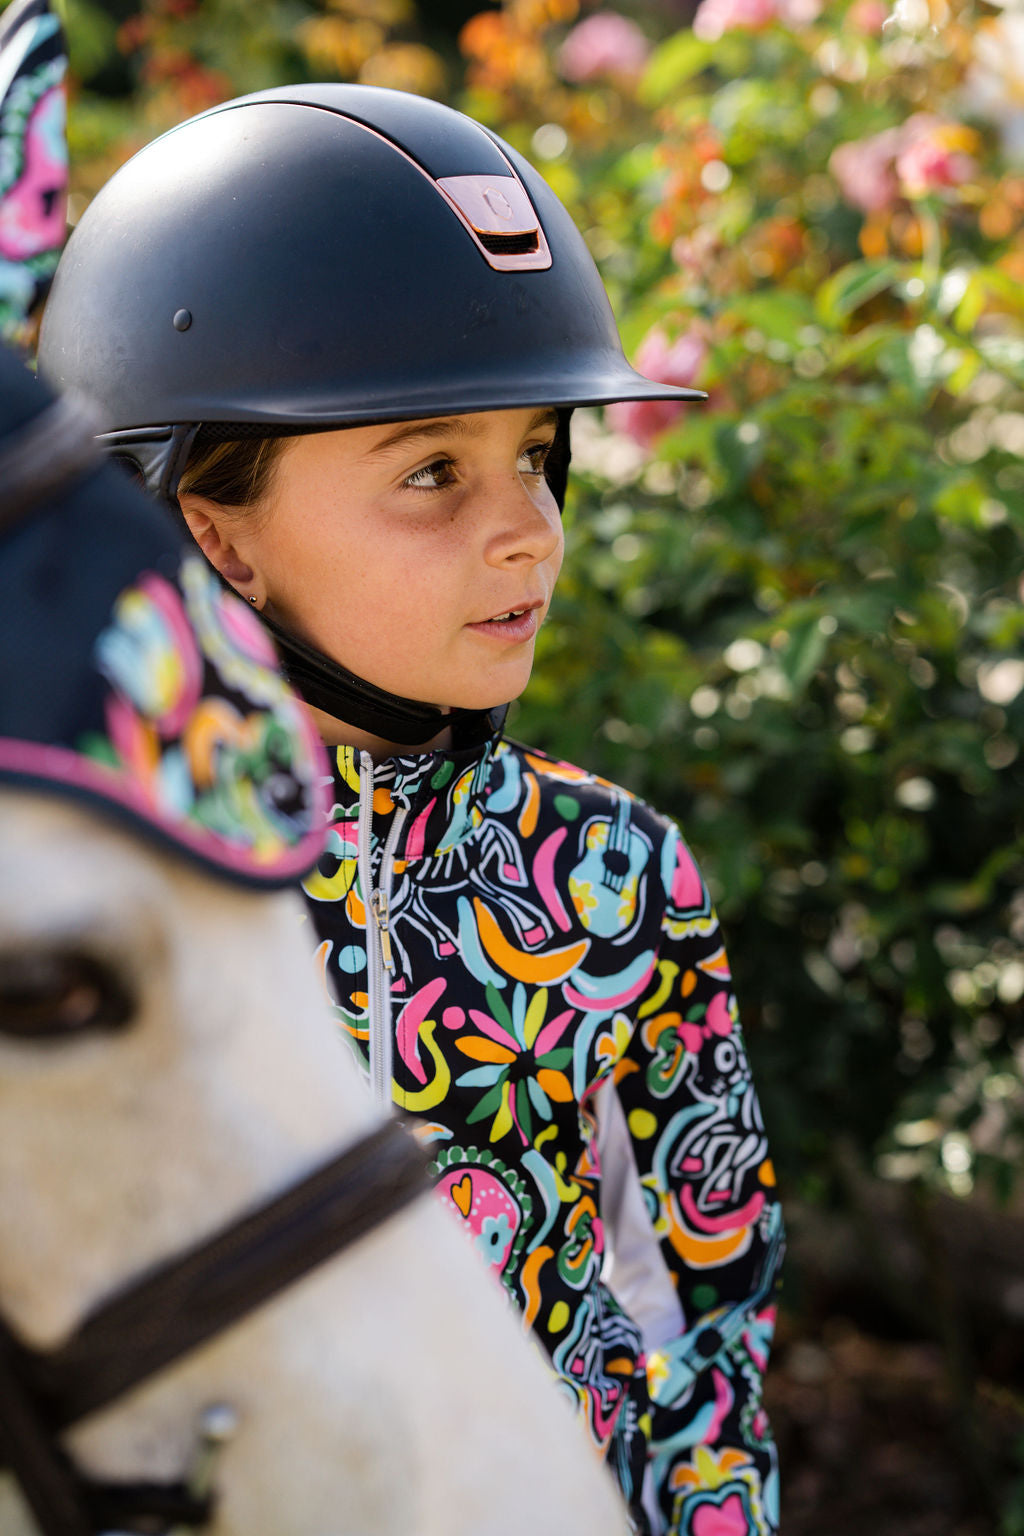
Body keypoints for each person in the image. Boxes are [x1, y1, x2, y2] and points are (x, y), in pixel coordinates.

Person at [39, 85, 785, 1536]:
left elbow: (710, 1327)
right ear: (211, 532)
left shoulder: (609, 877)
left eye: (539, 454)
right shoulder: (104, 900)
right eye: (434, 469)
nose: (526, 527)